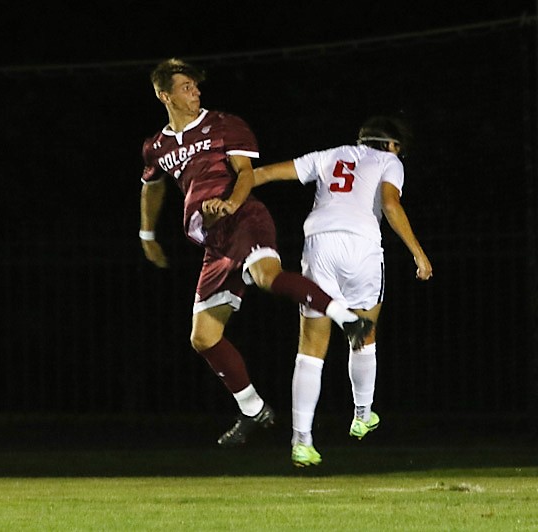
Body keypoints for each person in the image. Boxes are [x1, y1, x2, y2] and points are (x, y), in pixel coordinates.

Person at [137, 58, 373, 448]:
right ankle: (252, 409)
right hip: (213, 240)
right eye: (185, 87)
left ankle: (348, 319)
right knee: (204, 337)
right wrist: (147, 234)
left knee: (266, 276)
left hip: (244, 216)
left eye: (196, 86)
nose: (195, 91)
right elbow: (153, 186)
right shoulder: (156, 146)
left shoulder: (225, 124)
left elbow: (245, 172)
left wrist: (229, 203)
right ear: (164, 95)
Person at [253, 116, 433, 467]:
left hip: (319, 242)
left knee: (310, 349)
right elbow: (391, 204)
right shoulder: (389, 161)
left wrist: (228, 194)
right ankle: (362, 413)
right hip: (362, 246)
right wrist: (418, 252)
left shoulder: (329, 154)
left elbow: (264, 174)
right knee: (365, 336)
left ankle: (301, 441)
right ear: (392, 145)